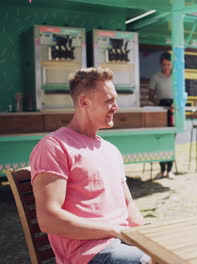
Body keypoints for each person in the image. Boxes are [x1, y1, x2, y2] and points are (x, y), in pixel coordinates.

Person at [30, 68, 150, 264]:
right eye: (109, 101)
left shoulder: (111, 150)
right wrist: (116, 231)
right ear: (84, 102)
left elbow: (128, 206)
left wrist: (148, 235)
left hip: (123, 242)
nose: (116, 107)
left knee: (175, 251)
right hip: (90, 253)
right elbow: (49, 218)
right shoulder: (54, 146)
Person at [149, 52, 175, 179]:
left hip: (173, 110)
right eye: (164, 64)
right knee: (160, 139)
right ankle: (162, 170)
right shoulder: (155, 77)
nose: (166, 67)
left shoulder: (176, 77)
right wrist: (158, 104)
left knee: (170, 139)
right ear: (161, 64)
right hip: (160, 110)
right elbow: (150, 95)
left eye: (168, 64)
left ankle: (170, 170)